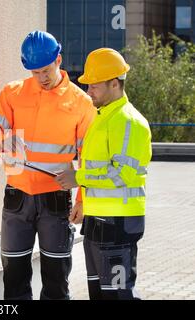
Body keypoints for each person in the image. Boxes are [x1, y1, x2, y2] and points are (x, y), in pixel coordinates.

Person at [0, 30, 96, 300]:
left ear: (59, 60)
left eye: (46, 70)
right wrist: (1, 140)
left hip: (55, 201)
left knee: (56, 280)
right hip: (17, 198)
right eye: (35, 72)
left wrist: (83, 200)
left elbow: (89, 158)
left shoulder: (81, 103)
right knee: (14, 277)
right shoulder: (13, 93)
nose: (42, 78)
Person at [55, 48, 152, 300]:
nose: (89, 92)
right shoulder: (102, 118)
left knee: (120, 295)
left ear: (114, 83)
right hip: (98, 223)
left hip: (118, 225)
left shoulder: (129, 121)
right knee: (100, 295)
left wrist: (78, 178)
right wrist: (84, 203)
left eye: (94, 86)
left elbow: (122, 175)